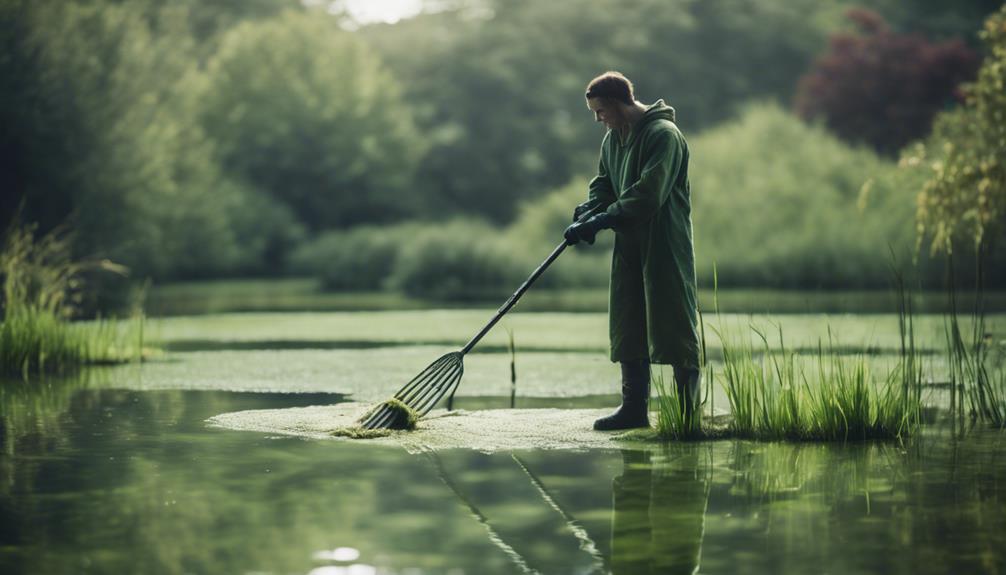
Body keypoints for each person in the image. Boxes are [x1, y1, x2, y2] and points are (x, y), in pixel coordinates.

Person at [565, 71, 701, 431]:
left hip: (664, 240)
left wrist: (602, 220)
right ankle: (633, 410)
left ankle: (688, 416)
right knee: (628, 320)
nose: (598, 119)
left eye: (600, 111)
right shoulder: (613, 138)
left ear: (618, 103)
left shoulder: (664, 136)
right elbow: (605, 184)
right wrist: (589, 211)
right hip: (628, 241)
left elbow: (648, 195)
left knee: (674, 322)